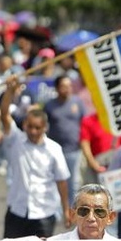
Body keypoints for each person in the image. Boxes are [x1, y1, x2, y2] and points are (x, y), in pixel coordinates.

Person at [0, 77, 70, 238]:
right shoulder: (16, 140)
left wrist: (66, 209)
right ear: (24, 125)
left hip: (44, 213)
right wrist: (10, 91)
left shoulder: (54, 149)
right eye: (30, 126)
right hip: (17, 210)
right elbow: (4, 115)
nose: (33, 131)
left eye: (37, 128)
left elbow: (62, 180)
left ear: (45, 127)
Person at [43, 75, 85, 205]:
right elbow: (44, 125)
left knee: (73, 183)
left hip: (73, 150)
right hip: (55, 151)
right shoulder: (50, 105)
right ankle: (56, 209)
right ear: (57, 88)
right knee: (55, 181)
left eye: (69, 86)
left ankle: (73, 209)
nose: (67, 89)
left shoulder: (77, 102)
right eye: (63, 86)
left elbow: (84, 123)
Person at [48, 184, 118, 240]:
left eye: (99, 211)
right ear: (73, 215)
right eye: (84, 211)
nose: (91, 218)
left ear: (110, 217)